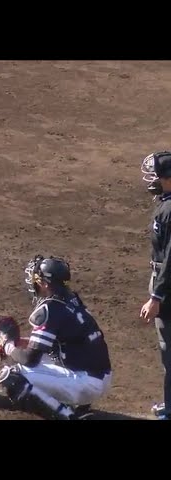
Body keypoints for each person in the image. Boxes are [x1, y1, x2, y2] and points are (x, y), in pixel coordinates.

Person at [0, 255, 113, 420]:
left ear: (45, 284)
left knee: (12, 377)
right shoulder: (71, 300)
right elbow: (60, 343)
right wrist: (19, 342)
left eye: (37, 279)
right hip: (99, 376)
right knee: (39, 357)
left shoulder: (49, 310)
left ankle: (68, 416)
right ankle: (77, 405)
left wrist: (7, 346)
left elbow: (29, 359)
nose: (33, 283)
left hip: (86, 383)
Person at [139, 150, 171, 420]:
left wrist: (156, 296)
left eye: (155, 175)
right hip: (164, 280)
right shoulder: (166, 203)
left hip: (168, 286)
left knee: (169, 350)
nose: (151, 180)